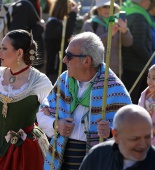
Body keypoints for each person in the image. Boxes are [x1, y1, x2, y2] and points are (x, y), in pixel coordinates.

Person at [37, 31, 132, 170]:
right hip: (60, 157)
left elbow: (130, 131)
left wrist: (111, 133)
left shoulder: (113, 88)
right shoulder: (64, 80)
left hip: (96, 159)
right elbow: (42, 113)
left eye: (69, 56)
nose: (64, 60)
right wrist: (55, 124)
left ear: (86, 61)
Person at [0, 29, 53, 170]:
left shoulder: (39, 82)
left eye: (4, 48)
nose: (0, 53)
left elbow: (52, 113)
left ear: (19, 53)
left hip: (24, 152)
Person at [79, 104, 155, 170]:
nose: (142, 144)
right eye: (135, 139)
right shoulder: (98, 156)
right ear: (116, 135)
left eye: (147, 137)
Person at [82, 0, 133, 76]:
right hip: (95, 70)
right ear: (98, 9)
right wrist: (109, 35)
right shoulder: (90, 24)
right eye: (104, 7)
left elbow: (128, 43)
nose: (107, 9)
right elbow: (89, 45)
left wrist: (125, 31)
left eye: (110, 7)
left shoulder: (117, 24)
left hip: (115, 71)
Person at [121, 0, 152, 104]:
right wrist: (149, 59)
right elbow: (138, 44)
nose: (150, 2)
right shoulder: (139, 16)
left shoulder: (125, 11)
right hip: (136, 65)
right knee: (134, 100)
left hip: (126, 63)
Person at [45, 0, 81, 84]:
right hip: (54, 71)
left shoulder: (62, 24)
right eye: (70, 10)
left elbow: (69, 33)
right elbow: (66, 33)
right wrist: (73, 14)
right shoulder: (52, 24)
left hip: (66, 68)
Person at [9, 0, 45, 70]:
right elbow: (17, 36)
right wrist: (40, 27)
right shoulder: (24, 5)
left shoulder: (32, 3)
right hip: (24, 62)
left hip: (30, 60)